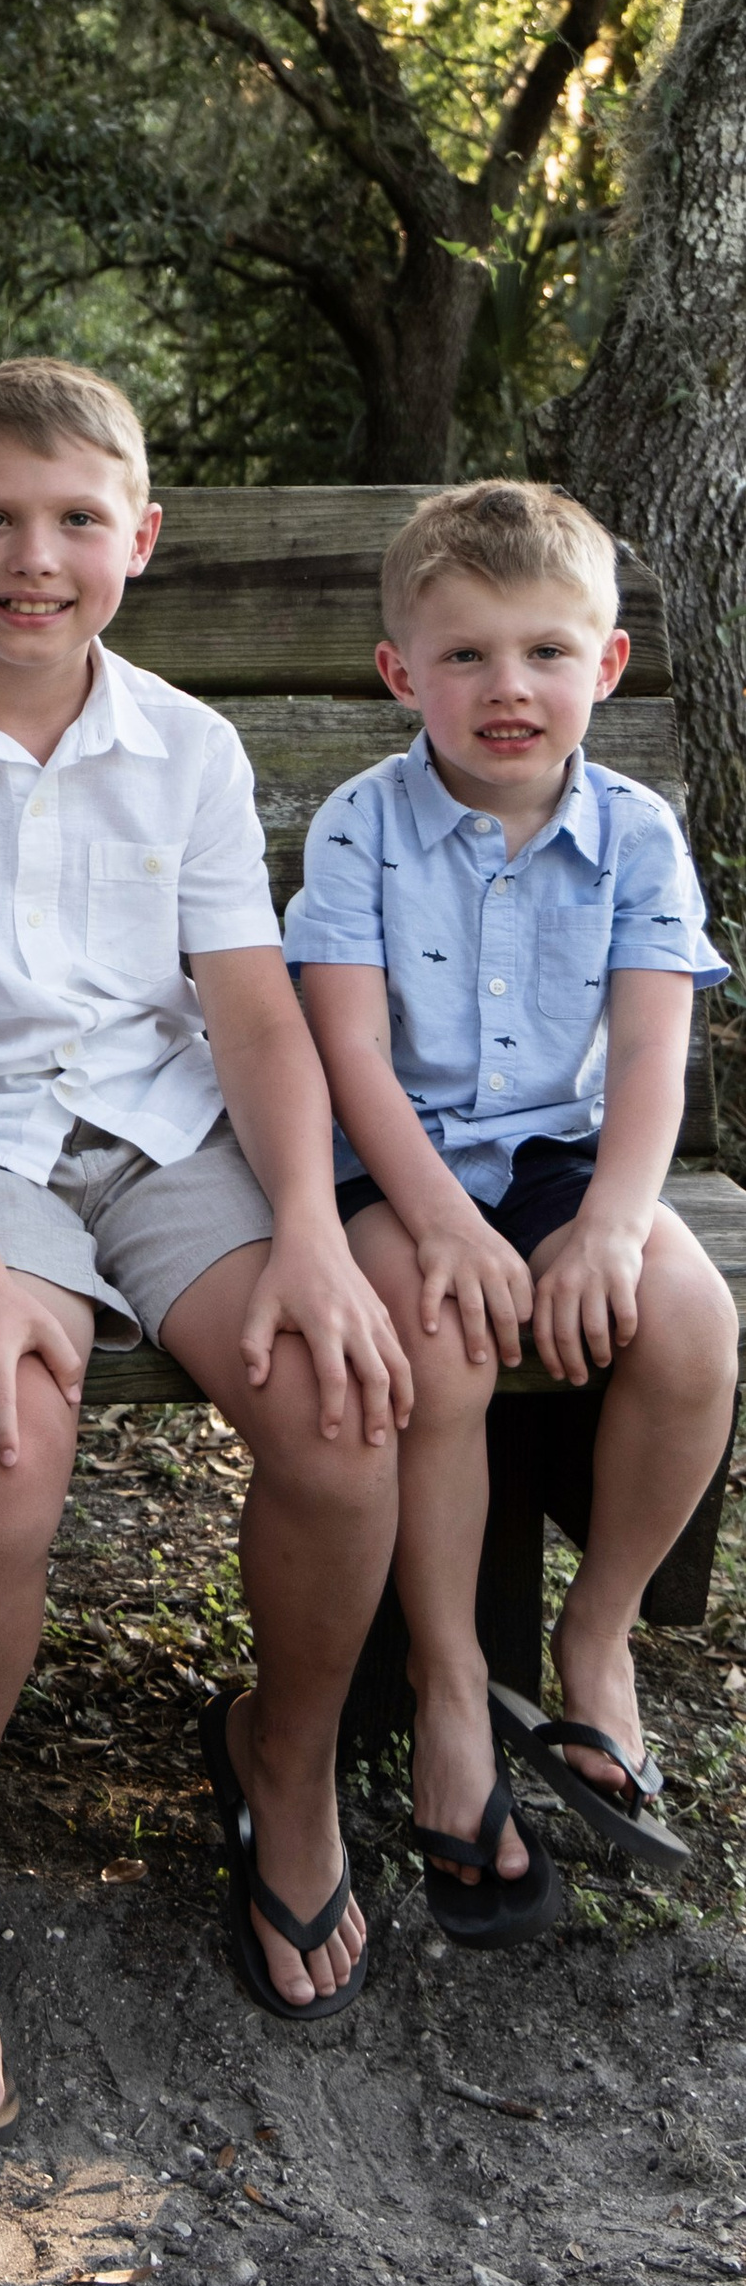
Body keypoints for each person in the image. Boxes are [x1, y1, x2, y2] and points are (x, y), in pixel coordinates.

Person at [0, 358, 414, 2132]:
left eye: (71, 524)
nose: (30, 561)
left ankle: (283, 1769)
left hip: (164, 1134)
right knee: (2, 1443)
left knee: (346, 1415)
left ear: (139, 539)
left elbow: (252, 1018)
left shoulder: (184, 749)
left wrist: (305, 1231)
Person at [286, 479, 736, 1931]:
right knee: (443, 1344)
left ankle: (595, 1638)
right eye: (466, 656)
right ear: (400, 674)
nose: (508, 690)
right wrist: (442, 1225)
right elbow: (347, 1055)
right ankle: (450, 1690)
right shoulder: (361, 827)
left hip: (559, 1157)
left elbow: (657, 1050)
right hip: (393, 1162)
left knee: (688, 1316)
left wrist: (611, 1221)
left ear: (606, 667)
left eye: (547, 653)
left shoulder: (639, 833)